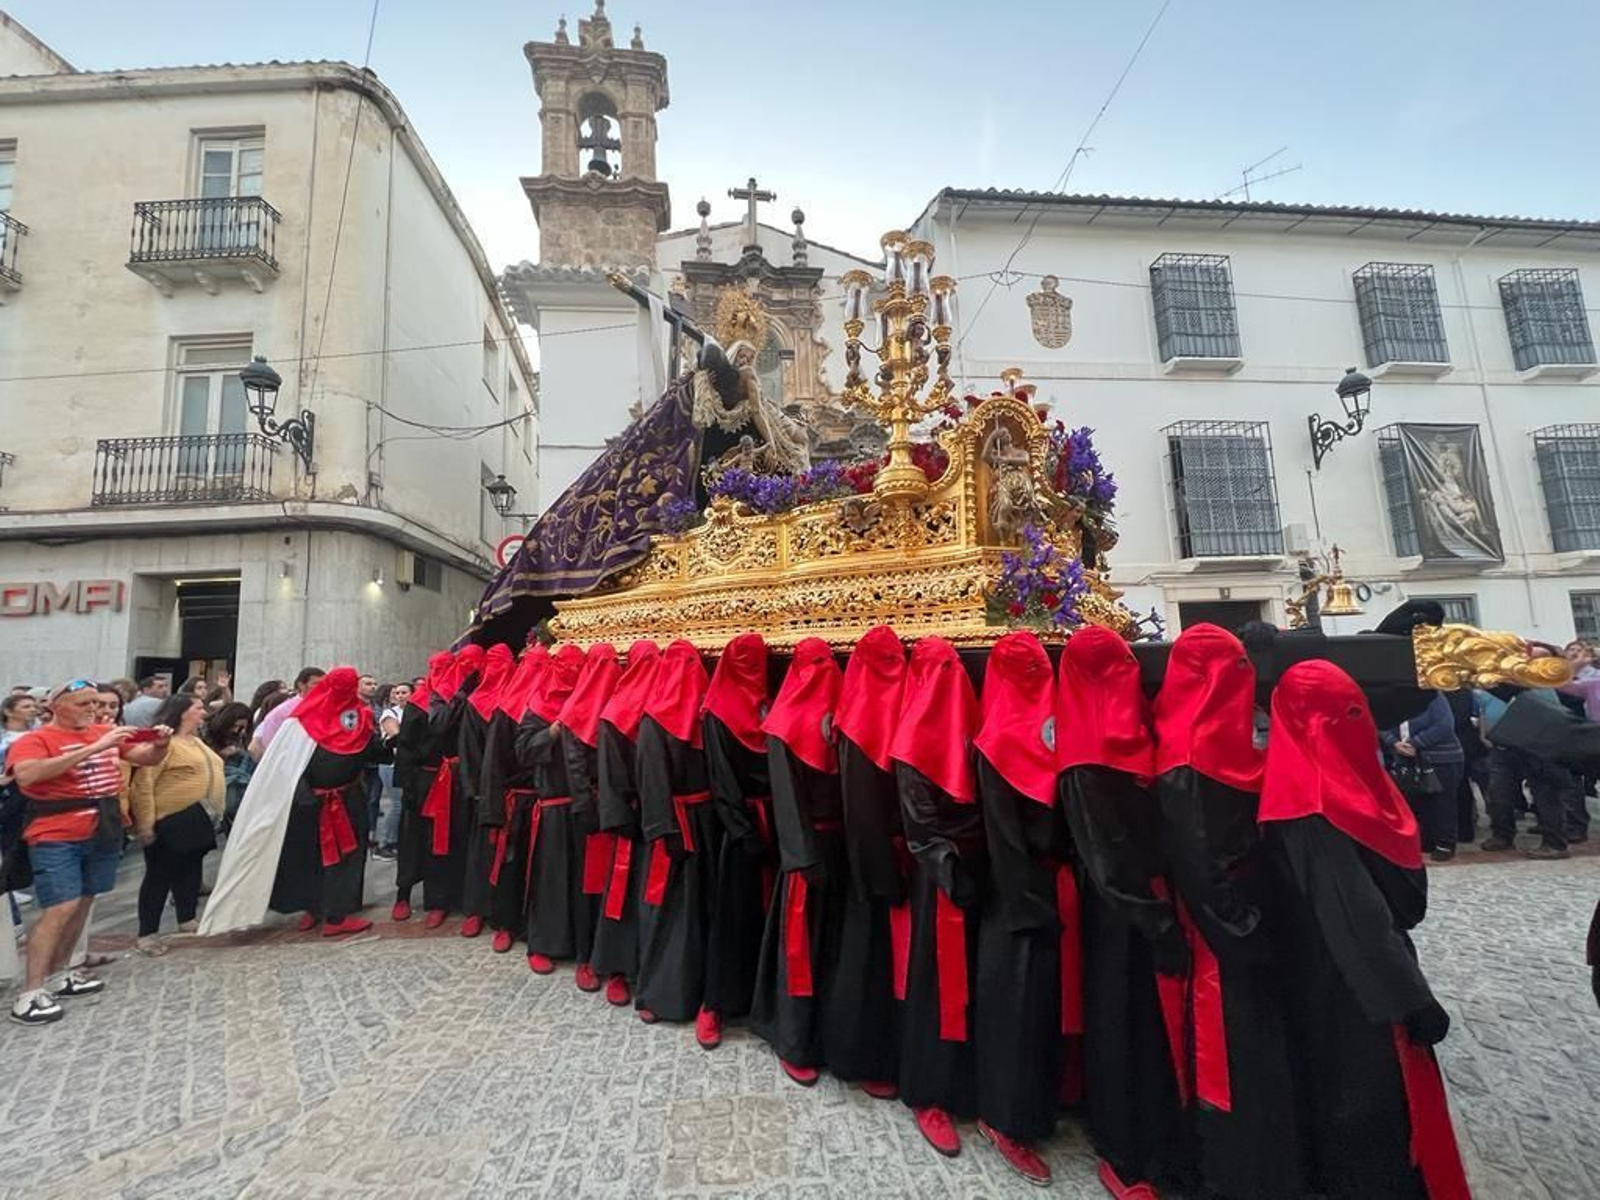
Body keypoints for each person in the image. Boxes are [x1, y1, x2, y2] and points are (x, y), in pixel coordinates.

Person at [1259, 660, 1469, 1199]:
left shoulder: (1324, 780)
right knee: (1367, 1100)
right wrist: (1410, 998)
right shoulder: (1309, 801)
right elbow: (1354, 915)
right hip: (1349, 979)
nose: (1353, 721)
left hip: (1335, 965)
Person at [1152, 624, 1304, 1200]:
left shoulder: (1219, 736)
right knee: (1227, 1046)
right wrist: (1241, 927)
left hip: (1245, 909)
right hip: (1221, 928)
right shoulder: (1187, 756)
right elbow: (1197, 859)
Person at [1057, 627, 1193, 1200]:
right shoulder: (1085, 753)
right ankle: (1123, 1147)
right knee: (1123, 1024)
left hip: (1149, 900)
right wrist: (1155, 919)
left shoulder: (1130, 727)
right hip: (1124, 913)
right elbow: (1106, 856)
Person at [971, 631, 1076, 1187]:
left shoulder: (1052, 726)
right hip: (1019, 902)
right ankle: (1005, 1118)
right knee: (1016, 1010)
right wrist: (1030, 903)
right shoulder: (994, 741)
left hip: (1050, 891)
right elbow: (1004, 839)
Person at [7, 679, 171, 1026]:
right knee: (59, 906)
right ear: (56, 706)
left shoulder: (102, 732)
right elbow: (29, 775)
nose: (94, 710)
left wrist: (161, 744)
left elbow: (146, 758)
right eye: (84, 703)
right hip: (56, 831)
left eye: (96, 703)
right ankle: (30, 990)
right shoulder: (35, 740)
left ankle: (60, 972)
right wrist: (94, 747)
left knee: (83, 902)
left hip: (103, 829)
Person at [200, 667, 388, 937]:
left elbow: (366, 750)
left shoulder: (338, 716)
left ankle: (330, 911)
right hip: (318, 801)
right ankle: (322, 911)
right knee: (322, 855)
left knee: (331, 855)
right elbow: (287, 762)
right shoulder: (310, 718)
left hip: (336, 798)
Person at [889, 636, 984, 1159]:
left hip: (979, 869)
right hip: (941, 876)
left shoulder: (972, 716)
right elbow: (920, 823)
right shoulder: (913, 733)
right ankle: (931, 1089)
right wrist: (950, 868)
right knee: (937, 980)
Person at [750, 637, 846, 1086]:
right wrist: (803, 858)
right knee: (800, 950)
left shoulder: (842, 709)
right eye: (817, 663)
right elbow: (788, 803)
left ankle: (828, 1034)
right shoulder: (784, 725)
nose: (826, 670)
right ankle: (792, 1037)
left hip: (839, 846)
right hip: (805, 856)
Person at [824, 624, 908, 1102]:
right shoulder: (859, 721)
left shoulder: (882, 707)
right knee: (868, 961)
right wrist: (884, 875)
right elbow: (862, 809)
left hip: (884, 858)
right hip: (874, 865)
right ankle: (859, 1054)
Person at [699, 633, 778, 1050]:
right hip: (740, 829)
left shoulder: (771, 703)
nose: (754, 668)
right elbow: (722, 784)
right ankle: (715, 1005)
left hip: (777, 825)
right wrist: (745, 832)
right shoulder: (716, 712)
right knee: (732, 918)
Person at [633, 640, 716, 1024]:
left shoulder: (705, 715)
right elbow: (652, 783)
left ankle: (704, 991)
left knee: (703, 909)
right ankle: (662, 994)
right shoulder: (654, 720)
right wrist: (663, 831)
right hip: (676, 825)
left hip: (705, 821)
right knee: (670, 912)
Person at [591, 641, 662, 1008]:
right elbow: (612, 775)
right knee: (622, 896)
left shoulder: (666, 705)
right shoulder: (615, 712)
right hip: (633, 821)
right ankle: (617, 968)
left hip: (659, 818)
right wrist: (625, 819)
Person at [130, 692, 225, 954]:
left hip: (199, 815)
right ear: (182, 711)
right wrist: (146, 823)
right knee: (159, 875)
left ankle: (187, 917)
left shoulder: (195, 741)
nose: (203, 712)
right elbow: (144, 783)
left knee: (191, 868)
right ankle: (147, 932)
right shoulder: (165, 743)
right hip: (171, 817)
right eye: (198, 708)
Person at [515, 644, 590, 973]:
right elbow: (523, 750)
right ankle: (543, 942)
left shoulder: (592, 698)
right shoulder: (537, 705)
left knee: (584, 880)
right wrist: (554, 730)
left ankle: (584, 948)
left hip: (586, 804)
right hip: (553, 806)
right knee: (551, 879)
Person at [555, 644, 623, 988]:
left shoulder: (621, 700)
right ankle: (587, 956)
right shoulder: (577, 708)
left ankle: (617, 961)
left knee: (620, 887)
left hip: (622, 810)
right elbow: (574, 765)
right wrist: (587, 808)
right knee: (591, 886)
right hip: (593, 812)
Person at [417, 645, 484, 926]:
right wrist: (461, 693)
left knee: (474, 842)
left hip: (479, 775)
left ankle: (472, 903)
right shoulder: (442, 693)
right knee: (441, 839)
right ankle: (438, 900)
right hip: (449, 774)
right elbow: (439, 724)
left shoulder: (493, 687)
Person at [457, 645, 515, 938]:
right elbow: (468, 751)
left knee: (510, 857)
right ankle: (476, 908)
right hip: (485, 791)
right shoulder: (474, 703)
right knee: (482, 852)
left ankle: (503, 914)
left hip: (514, 791)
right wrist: (476, 790)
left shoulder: (519, 697)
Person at [391, 653, 452, 922]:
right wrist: (408, 787)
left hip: (448, 779)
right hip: (421, 780)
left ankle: (437, 899)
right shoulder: (418, 703)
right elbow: (405, 747)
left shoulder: (457, 699)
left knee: (439, 840)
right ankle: (402, 895)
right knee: (412, 838)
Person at [1382, 692, 1466, 862]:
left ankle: (1445, 843)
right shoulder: (1388, 699)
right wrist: (1393, 742)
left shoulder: (1433, 697)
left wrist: (1416, 743)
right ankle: (1425, 839)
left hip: (1442, 758)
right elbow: (1379, 724)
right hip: (1406, 759)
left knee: (1443, 803)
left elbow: (1445, 725)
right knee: (1417, 801)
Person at [249, 667, 326, 760]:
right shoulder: (283, 710)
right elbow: (268, 741)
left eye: (324, 684)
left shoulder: (325, 706)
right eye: (316, 684)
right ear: (301, 685)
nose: (322, 687)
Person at [203, 702, 254, 833]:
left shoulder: (239, 736)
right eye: (236, 726)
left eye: (243, 728)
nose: (238, 731)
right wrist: (221, 754)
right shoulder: (207, 731)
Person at [373, 683, 411, 857]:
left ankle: (397, 839)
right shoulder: (390, 713)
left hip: (407, 764)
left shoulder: (412, 712)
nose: (400, 695)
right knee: (397, 804)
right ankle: (385, 843)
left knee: (403, 804)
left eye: (404, 692)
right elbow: (396, 735)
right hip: (391, 765)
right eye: (397, 693)